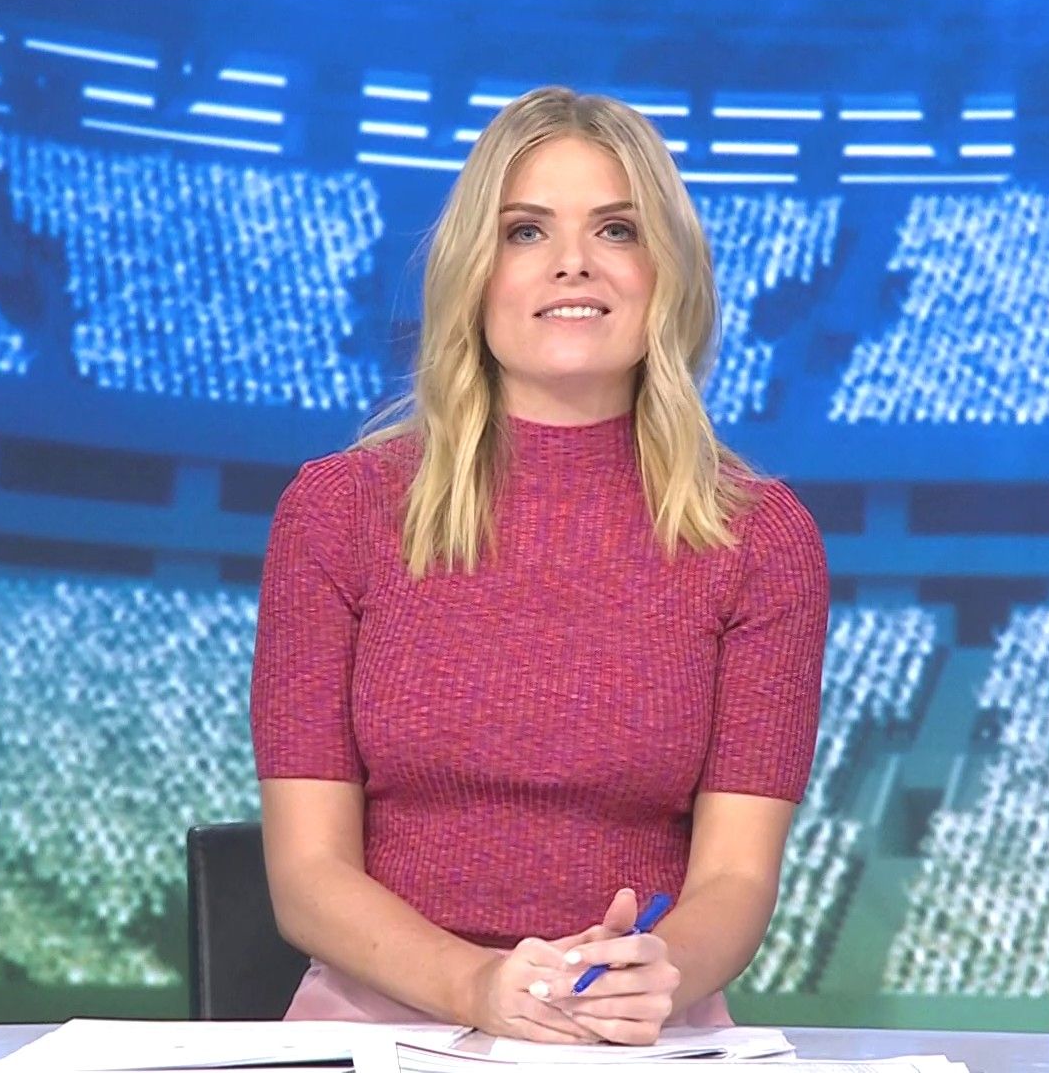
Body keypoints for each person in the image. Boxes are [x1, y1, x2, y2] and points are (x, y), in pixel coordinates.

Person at [250, 84, 830, 1045]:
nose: (572, 261)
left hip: (637, 1032)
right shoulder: (337, 512)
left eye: (616, 230)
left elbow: (736, 877)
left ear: (668, 274)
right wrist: (475, 985)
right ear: (474, 275)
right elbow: (307, 875)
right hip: (379, 1027)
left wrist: (661, 971)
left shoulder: (763, 540)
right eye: (525, 231)